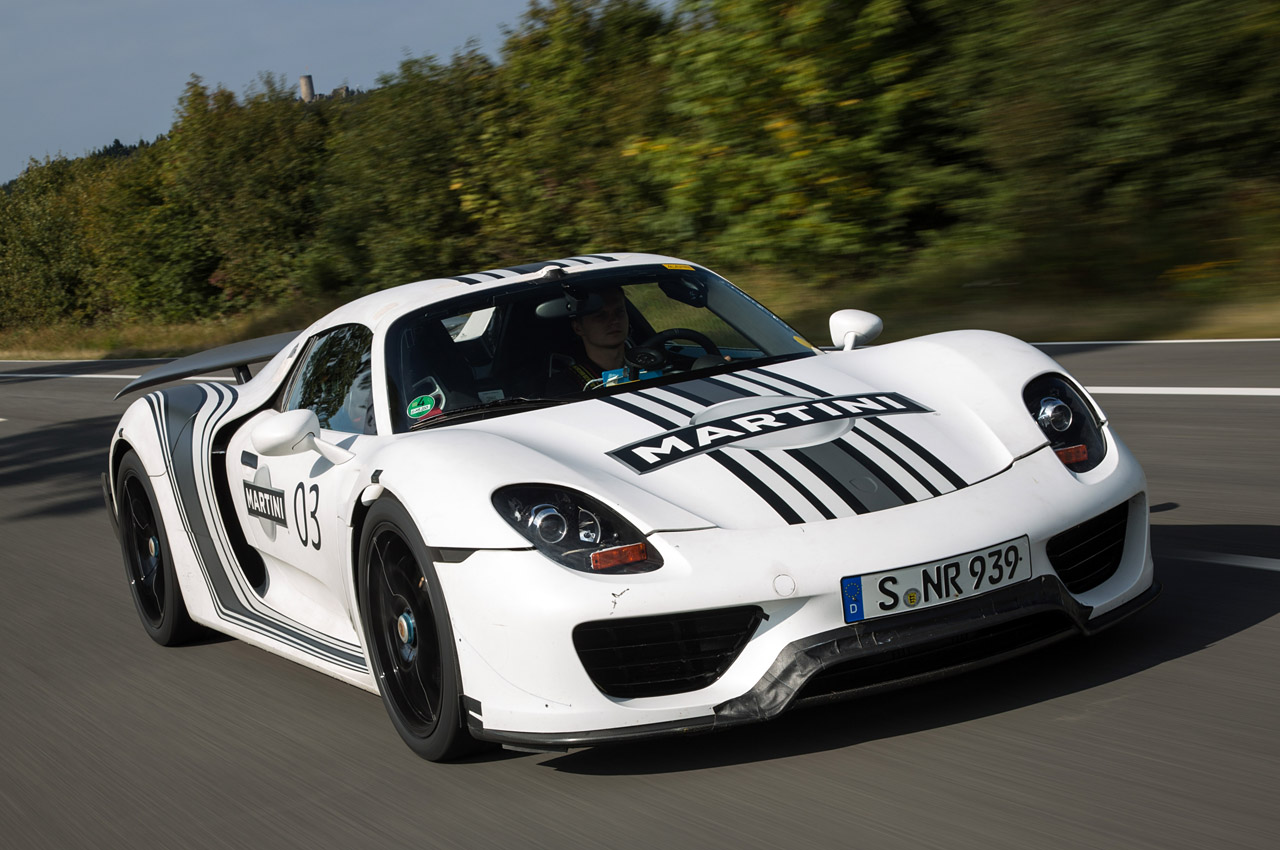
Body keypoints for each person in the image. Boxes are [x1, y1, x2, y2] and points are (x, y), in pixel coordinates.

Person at [546, 286, 630, 395]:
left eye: (619, 312)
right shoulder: (566, 385)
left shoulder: (651, 365)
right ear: (578, 328)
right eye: (601, 316)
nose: (614, 320)